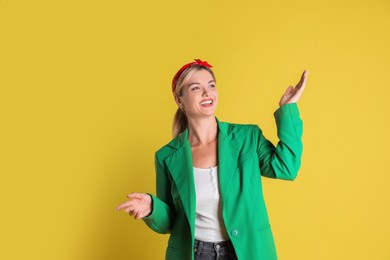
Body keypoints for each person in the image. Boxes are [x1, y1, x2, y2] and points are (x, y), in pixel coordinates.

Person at [116, 59, 308, 260]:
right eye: (196, 88)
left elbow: (287, 167)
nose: (207, 93)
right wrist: (151, 209)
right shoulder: (166, 157)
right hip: (196, 254)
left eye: (211, 85)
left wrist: (288, 109)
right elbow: (171, 222)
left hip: (248, 251)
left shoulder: (247, 138)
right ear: (179, 100)